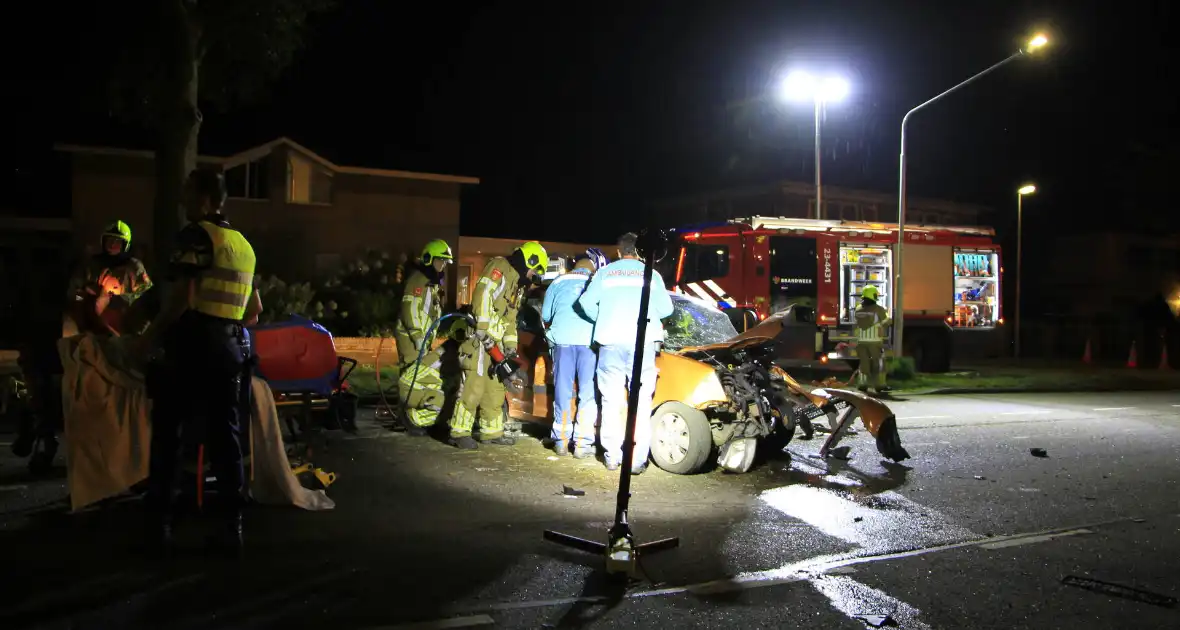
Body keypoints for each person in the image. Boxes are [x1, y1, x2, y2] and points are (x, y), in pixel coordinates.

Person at [137, 168, 263, 553]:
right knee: (226, 439)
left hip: (190, 346)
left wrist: (148, 336)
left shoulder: (194, 237)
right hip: (230, 351)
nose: (182, 201)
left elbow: (178, 301)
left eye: (189, 193)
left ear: (207, 199)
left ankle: (159, 525)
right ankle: (231, 527)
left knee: (170, 435)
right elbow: (254, 310)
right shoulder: (243, 245)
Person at [577, 233, 673, 473]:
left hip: (610, 341)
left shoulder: (605, 273)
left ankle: (612, 456)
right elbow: (666, 308)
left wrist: (603, 319)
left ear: (619, 252)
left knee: (611, 399)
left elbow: (585, 304)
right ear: (639, 251)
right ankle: (637, 460)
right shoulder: (651, 273)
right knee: (640, 402)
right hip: (642, 343)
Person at [451, 241, 548, 449]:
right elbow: (483, 294)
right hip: (479, 340)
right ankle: (459, 432)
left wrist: (510, 346)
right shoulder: (500, 268)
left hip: (494, 344)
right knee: (474, 385)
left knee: (495, 388)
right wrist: (482, 328)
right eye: (534, 271)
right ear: (529, 261)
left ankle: (491, 432)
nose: (533, 277)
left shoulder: (518, 286)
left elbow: (510, 319)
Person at [541, 249, 606, 458]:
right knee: (587, 394)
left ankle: (560, 441)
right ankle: (582, 444)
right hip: (589, 344)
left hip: (563, 344)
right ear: (595, 266)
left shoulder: (558, 282)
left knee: (563, 391)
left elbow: (545, 315)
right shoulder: (597, 283)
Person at [395, 239, 453, 436]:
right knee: (411, 377)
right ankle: (408, 419)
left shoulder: (431, 284)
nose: (442, 265)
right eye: (440, 261)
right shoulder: (418, 281)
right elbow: (409, 309)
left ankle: (415, 415)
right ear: (429, 259)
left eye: (445, 262)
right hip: (411, 339)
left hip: (421, 339)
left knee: (418, 378)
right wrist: (417, 336)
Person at [66, 220, 153, 336]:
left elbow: (145, 296)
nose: (112, 245)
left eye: (117, 241)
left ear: (125, 244)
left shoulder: (134, 267)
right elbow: (75, 294)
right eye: (110, 240)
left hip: (122, 325)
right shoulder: (91, 265)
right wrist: (84, 298)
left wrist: (116, 300)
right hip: (91, 324)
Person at [853, 285, 892, 394]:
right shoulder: (879, 309)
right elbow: (885, 322)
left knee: (864, 363)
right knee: (879, 363)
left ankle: (862, 384)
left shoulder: (858, 308)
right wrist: (889, 320)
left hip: (861, 341)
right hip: (874, 341)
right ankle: (880, 385)